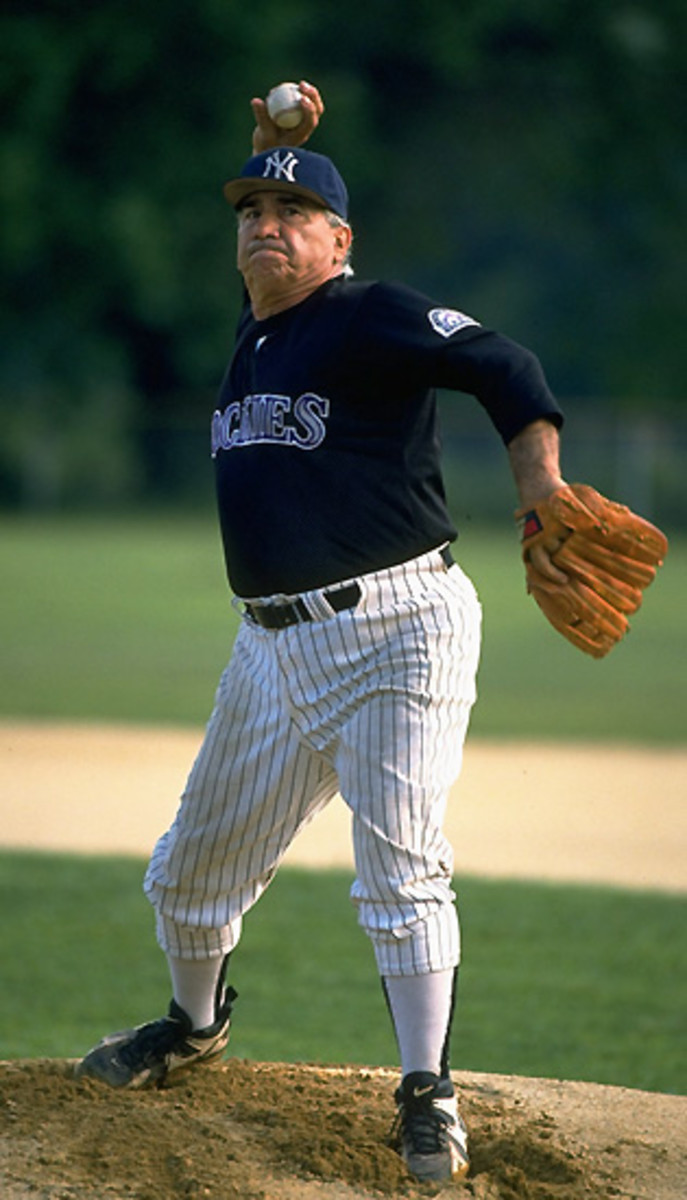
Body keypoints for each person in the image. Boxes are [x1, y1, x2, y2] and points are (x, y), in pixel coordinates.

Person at [76, 82, 567, 1184]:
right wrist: (271, 155)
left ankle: (427, 1094)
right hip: (269, 647)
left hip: (399, 630)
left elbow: (505, 365)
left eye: (291, 215)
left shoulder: (368, 311)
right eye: (248, 212)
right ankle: (193, 1028)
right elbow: (270, 218)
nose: (263, 225)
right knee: (187, 875)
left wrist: (538, 481)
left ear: (339, 242)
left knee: (398, 867)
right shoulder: (256, 343)